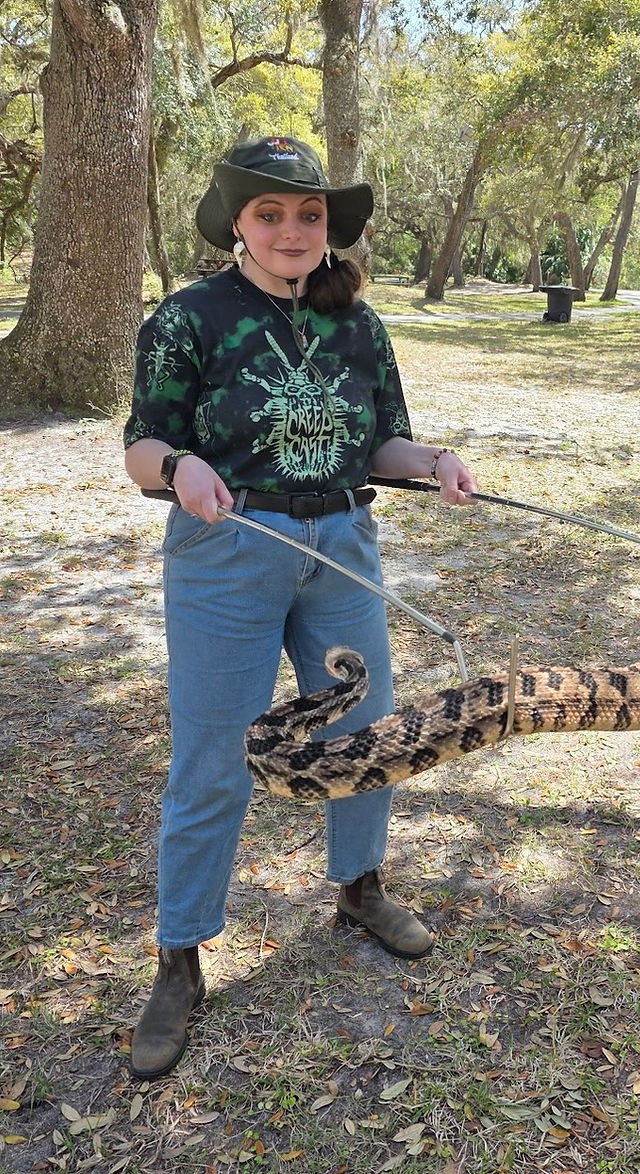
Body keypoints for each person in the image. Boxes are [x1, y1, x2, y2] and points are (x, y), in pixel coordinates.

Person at [122, 135, 477, 1080]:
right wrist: (179, 466)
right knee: (217, 754)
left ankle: (359, 889)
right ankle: (181, 957)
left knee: (370, 728)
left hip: (344, 547)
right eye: (270, 212)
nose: (291, 230)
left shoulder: (359, 324)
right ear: (237, 221)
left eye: (308, 214)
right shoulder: (188, 318)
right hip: (228, 552)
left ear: (330, 227)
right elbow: (141, 448)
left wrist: (434, 463)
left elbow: (383, 447)